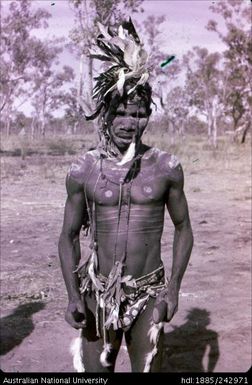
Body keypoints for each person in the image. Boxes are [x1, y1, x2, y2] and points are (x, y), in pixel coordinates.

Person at [58, 18, 193, 373]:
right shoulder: (83, 169)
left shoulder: (166, 167)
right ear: (104, 115)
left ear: (148, 116)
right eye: (120, 113)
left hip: (149, 292)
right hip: (97, 292)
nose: (128, 123)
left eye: (137, 114)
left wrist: (173, 290)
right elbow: (69, 235)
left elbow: (183, 227)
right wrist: (74, 295)